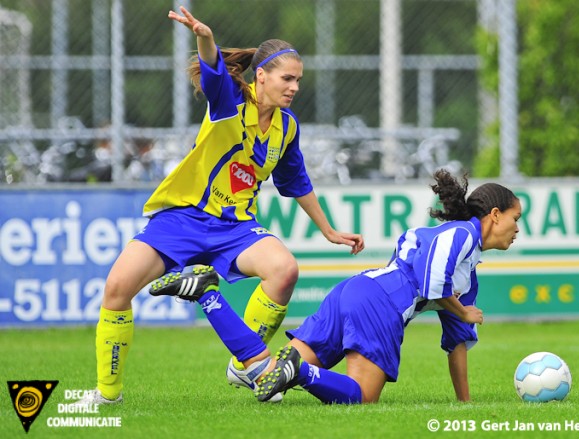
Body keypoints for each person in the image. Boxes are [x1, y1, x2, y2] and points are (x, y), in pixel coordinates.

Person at [76, 6, 364, 406]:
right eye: (287, 78)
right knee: (116, 289)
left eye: (298, 79)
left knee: (284, 270)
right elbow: (212, 70)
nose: (295, 86)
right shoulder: (229, 101)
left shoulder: (288, 126)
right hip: (182, 218)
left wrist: (328, 230)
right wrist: (204, 37)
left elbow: (295, 181)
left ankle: (242, 364)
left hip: (236, 227)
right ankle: (107, 396)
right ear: (260, 75)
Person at [252, 169, 521, 404]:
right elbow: (433, 284)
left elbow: (458, 342)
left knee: (275, 374)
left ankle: (272, 367)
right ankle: (299, 370)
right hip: (380, 303)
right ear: (495, 215)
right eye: (515, 218)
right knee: (364, 396)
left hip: (356, 290)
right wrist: (464, 312)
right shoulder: (462, 233)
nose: (517, 228)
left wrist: (465, 403)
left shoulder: (467, 270)